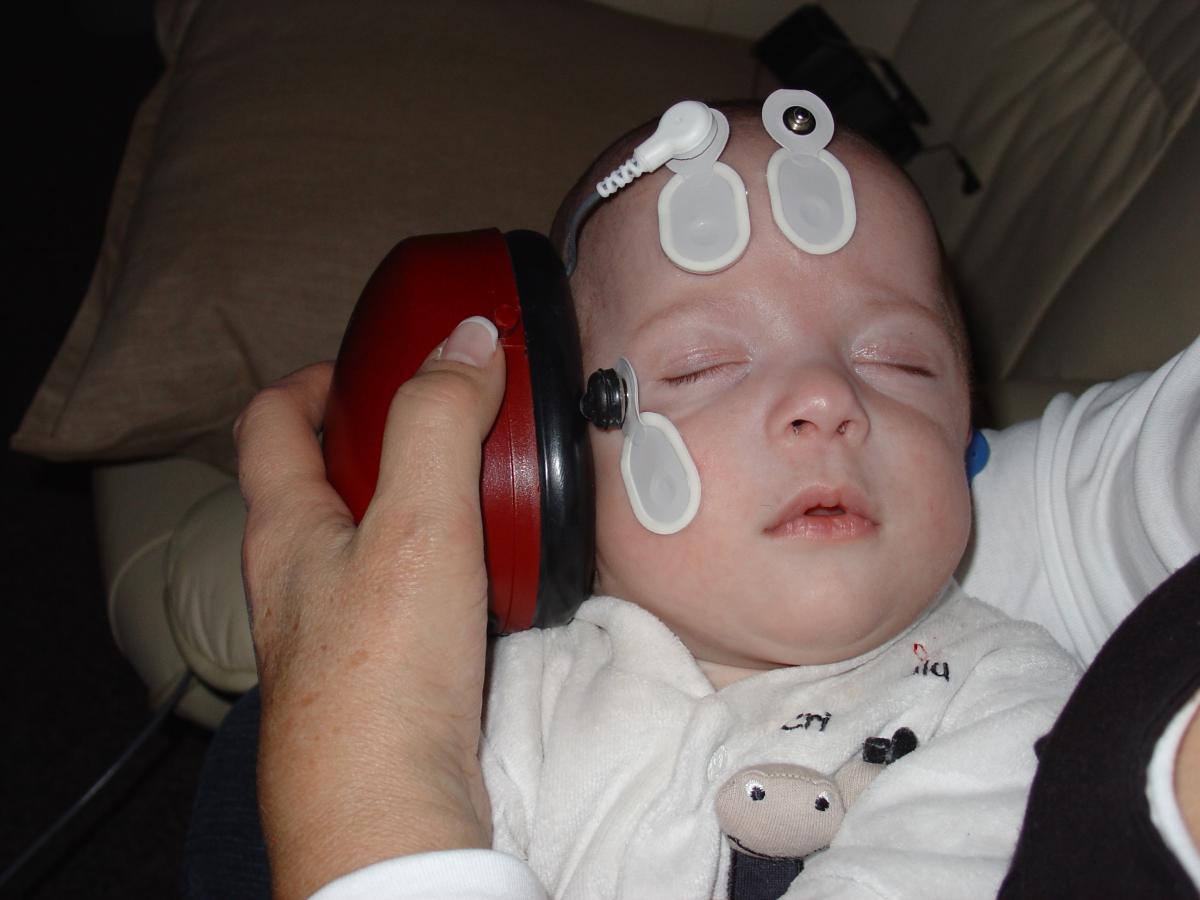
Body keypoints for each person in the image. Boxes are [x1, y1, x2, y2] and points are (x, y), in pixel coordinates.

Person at [222, 105, 1200, 899]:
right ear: (560, 464)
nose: (828, 397)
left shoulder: (1006, 706)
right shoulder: (490, 707)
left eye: (899, 362)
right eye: (700, 367)